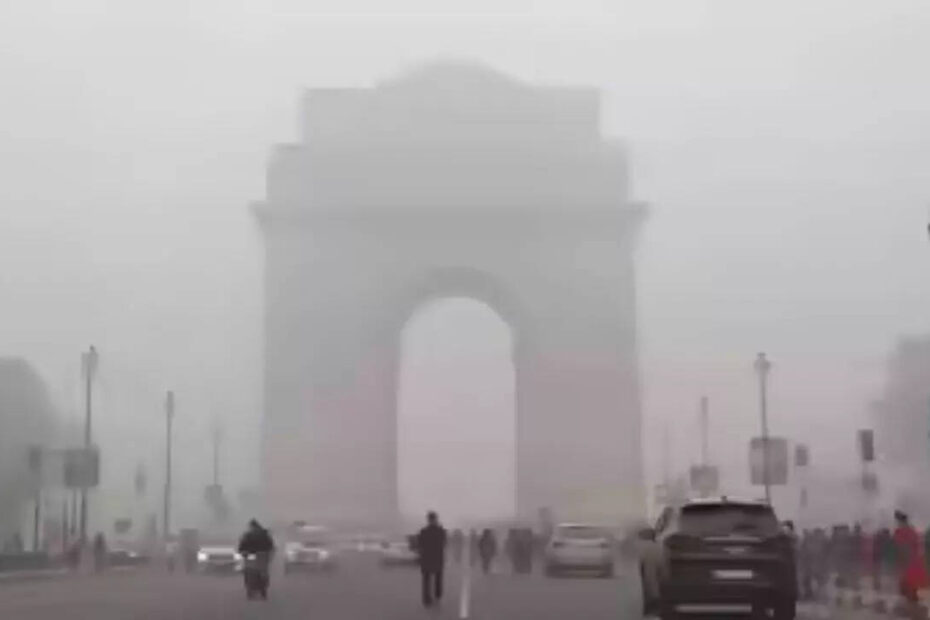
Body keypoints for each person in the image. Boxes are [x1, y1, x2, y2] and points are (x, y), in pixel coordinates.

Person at [893, 511, 928, 610]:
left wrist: (902, 560)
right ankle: (913, 603)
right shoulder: (913, 531)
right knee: (911, 584)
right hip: (914, 561)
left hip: (908, 562)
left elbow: (901, 548)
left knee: (908, 584)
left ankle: (911, 605)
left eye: (898, 521)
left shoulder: (901, 532)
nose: (897, 523)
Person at [238, 519, 275, 599]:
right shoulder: (264, 534)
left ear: (251, 526)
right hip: (263, 555)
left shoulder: (248, 535)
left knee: (248, 570)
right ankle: (263, 587)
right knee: (263, 571)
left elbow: (242, 545)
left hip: (252, 555)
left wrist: (242, 551)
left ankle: (251, 588)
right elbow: (270, 545)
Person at [417, 511, 447, 608]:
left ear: (428, 520)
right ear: (436, 519)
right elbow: (444, 543)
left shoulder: (423, 531)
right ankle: (438, 595)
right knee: (438, 578)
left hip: (426, 558)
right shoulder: (440, 531)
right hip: (437, 558)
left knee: (426, 580)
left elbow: (420, 544)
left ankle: (426, 599)